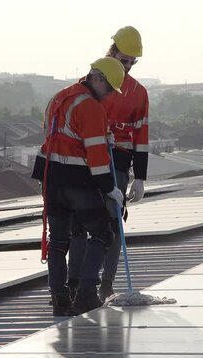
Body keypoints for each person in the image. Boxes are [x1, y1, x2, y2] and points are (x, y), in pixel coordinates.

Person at [31, 57, 126, 316]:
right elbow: (96, 155)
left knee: (59, 241)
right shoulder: (91, 107)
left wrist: (99, 133)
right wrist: (110, 188)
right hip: (78, 181)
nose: (107, 95)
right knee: (102, 234)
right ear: (96, 78)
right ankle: (85, 294)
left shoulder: (60, 97)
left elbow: (60, 135)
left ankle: (60, 298)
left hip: (51, 178)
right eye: (107, 88)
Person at [69, 26, 150, 302]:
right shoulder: (92, 82)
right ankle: (75, 283)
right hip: (87, 159)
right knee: (81, 222)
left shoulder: (139, 93)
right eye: (123, 60)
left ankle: (107, 285)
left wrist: (140, 176)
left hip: (118, 160)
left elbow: (141, 135)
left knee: (113, 221)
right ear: (112, 51)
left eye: (132, 62)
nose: (127, 67)